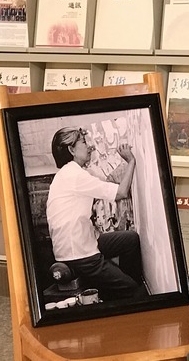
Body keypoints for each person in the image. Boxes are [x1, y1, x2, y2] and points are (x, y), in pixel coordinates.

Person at [47, 127, 148, 301]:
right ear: (71, 150)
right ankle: (129, 292)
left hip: (75, 247)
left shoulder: (65, 174)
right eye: (84, 142)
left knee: (130, 239)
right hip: (79, 255)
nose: (90, 147)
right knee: (135, 292)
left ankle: (123, 286)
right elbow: (121, 193)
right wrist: (131, 161)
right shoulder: (75, 175)